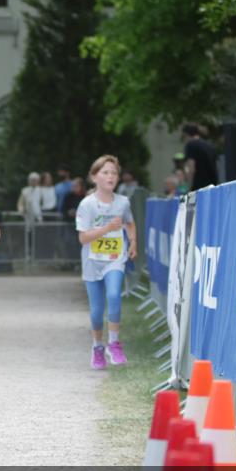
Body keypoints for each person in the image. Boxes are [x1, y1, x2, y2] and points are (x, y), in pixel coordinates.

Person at [75, 155, 136, 370]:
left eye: (114, 173)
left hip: (114, 259)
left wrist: (133, 242)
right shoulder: (87, 205)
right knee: (97, 309)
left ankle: (114, 343)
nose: (111, 176)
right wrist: (106, 229)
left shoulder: (123, 202)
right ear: (94, 177)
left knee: (114, 295)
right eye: (105, 172)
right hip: (92, 261)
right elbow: (83, 238)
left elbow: (130, 222)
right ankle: (97, 346)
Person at [182, 123, 218, 191]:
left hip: (199, 186)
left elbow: (191, 168)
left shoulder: (191, 145)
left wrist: (189, 187)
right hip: (212, 185)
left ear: (186, 134)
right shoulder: (210, 145)